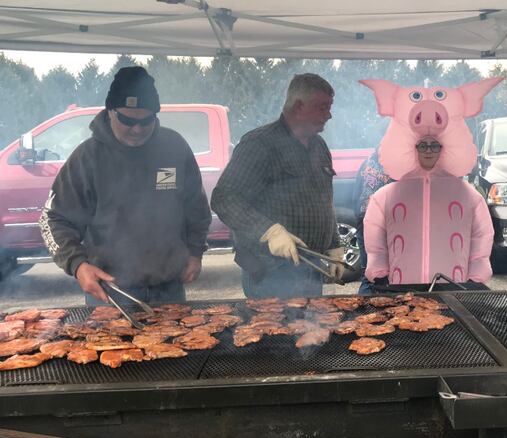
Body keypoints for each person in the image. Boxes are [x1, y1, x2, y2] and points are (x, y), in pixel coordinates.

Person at [39, 66, 211, 305]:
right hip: (111, 293)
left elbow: (196, 207)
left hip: (169, 290)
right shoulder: (88, 157)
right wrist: (78, 265)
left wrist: (195, 252)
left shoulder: (174, 148)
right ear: (110, 112)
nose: (137, 129)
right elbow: (53, 219)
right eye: (127, 120)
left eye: (146, 120)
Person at [211, 73, 343, 298]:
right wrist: (269, 231)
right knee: (273, 332)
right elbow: (224, 198)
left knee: (312, 330)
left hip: (310, 268)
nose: (329, 115)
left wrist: (333, 244)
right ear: (299, 106)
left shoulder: (319, 147)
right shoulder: (259, 144)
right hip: (269, 273)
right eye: (322, 107)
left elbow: (324, 199)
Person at [360, 77, 502, 286]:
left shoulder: (469, 195)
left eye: (434, 145)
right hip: (403, 290)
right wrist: (380, 273)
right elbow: (376, 241)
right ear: (410, 146)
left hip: (453, 288)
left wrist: (476, 277)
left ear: (445, 147)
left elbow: (481, 236)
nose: (428, 150)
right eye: (422, 145)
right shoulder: (384, 197)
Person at [352, 148, 393, 294]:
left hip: (362, 217)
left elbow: (355, 192)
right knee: (377, 274)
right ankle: (367, 310)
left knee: (367, 272)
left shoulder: (368, 161)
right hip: (378, 222)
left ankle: (362, 310)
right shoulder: (394, 164)